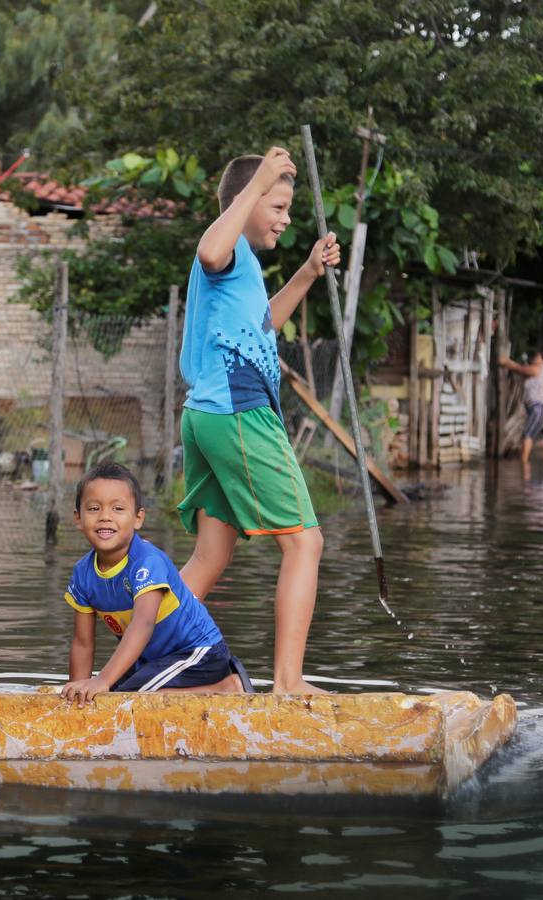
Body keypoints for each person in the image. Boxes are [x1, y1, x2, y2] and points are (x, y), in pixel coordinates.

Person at [176, 146, 340, 695]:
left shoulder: (245, 266)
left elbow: (265, 321)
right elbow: (207, 248)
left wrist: (309, 271)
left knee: (210, 554)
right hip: (238, 414)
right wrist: (257, 184)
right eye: (277, 204)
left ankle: (138, 659)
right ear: (246, 203)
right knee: (305, 543)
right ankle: (289, 683)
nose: (286, 217)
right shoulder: (227, 251)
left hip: (206, 416)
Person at [61, 462, 251, 704]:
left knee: (121, 698)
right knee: (106, 696)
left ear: (138, 518)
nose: (105, 517)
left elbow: (143, 623)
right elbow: (82, 642)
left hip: (197, 654)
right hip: (151, 661)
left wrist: (102, 680)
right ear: (78, 518)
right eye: (94, 508)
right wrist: (77, 694)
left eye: (118, 508)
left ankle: (226, 687)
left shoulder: (147, 562)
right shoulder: (82, 574)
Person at [498, 350, 543, 468]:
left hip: (541, 407)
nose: (534, 358)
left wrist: (507, 362)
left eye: (536, 356)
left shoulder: (538, 368)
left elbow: (520, 369)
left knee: (528, 434)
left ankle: (524, 462)